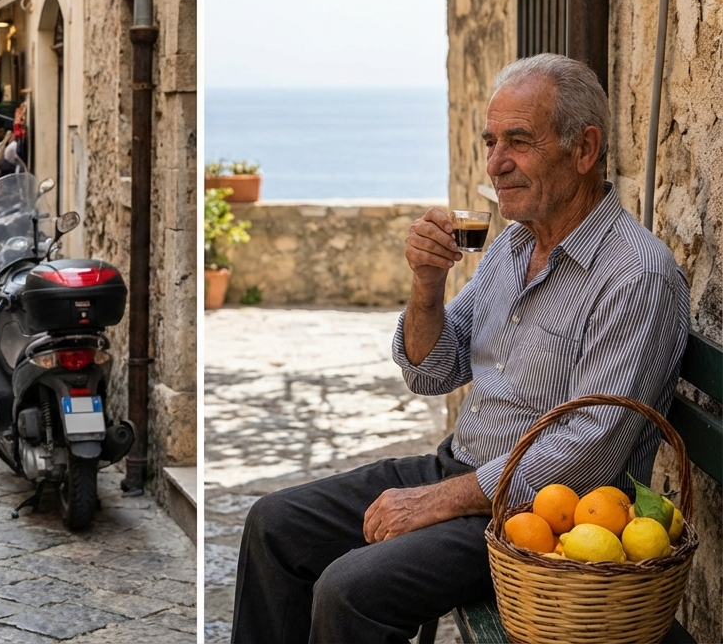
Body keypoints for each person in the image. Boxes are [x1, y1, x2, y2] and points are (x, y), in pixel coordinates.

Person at [231, 54, 690, 644]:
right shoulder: (510, 248)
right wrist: (426, 287)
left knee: (349, 591)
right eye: (490, 142)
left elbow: (587, 457)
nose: (496, 164)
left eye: (519, 142)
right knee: (274, 526)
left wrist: (434, 502)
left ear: (584, 150)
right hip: (460, 472)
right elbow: (433, 369)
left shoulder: (636, 274)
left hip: (543, 523)